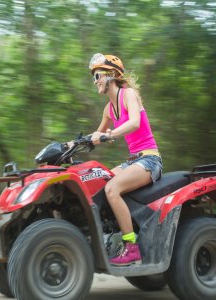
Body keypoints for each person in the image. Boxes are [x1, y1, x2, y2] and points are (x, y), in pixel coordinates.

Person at [88, 53, 162, 266]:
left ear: (111, 75)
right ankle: (108, 237)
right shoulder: (108, 109)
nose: (95, 82)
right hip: (132, 161)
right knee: (98, 182)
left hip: (149, 160)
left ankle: (131, 247)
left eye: (97, 76)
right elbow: (95, 137)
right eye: (94, 77)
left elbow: (135, 123)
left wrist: (110, 134)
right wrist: (69, 146)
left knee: (112, 189)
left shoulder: (128, 94)